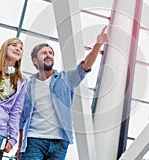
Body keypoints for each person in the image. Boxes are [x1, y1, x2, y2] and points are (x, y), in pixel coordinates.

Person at [16, 26, 109, 160]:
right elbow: (22, 118)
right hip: (33, 140)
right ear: (35, 61)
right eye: (44, 53)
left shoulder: (65, 79)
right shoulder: (28, 85)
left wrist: (98, 44)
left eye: (50, 53)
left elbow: (86, 66)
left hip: (59, 143)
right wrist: (20, 145)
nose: (48, 55)